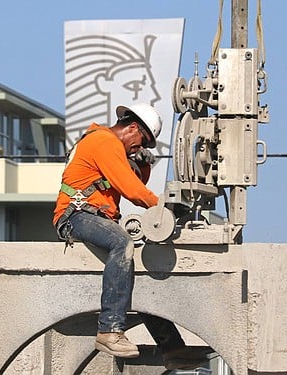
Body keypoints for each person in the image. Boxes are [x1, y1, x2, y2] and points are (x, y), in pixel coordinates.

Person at [53, 103, 209, 369]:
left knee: (139, 268)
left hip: (95, 217)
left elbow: (135, 181)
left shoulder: (108, 144)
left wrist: (143, 167)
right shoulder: (104, 141)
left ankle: (172, 348)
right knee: (121, 242)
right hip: (75, 216)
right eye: (143, 141)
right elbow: (133, 190)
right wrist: (164, 206)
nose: (142, 148)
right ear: (132, 128)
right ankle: (110, 331)